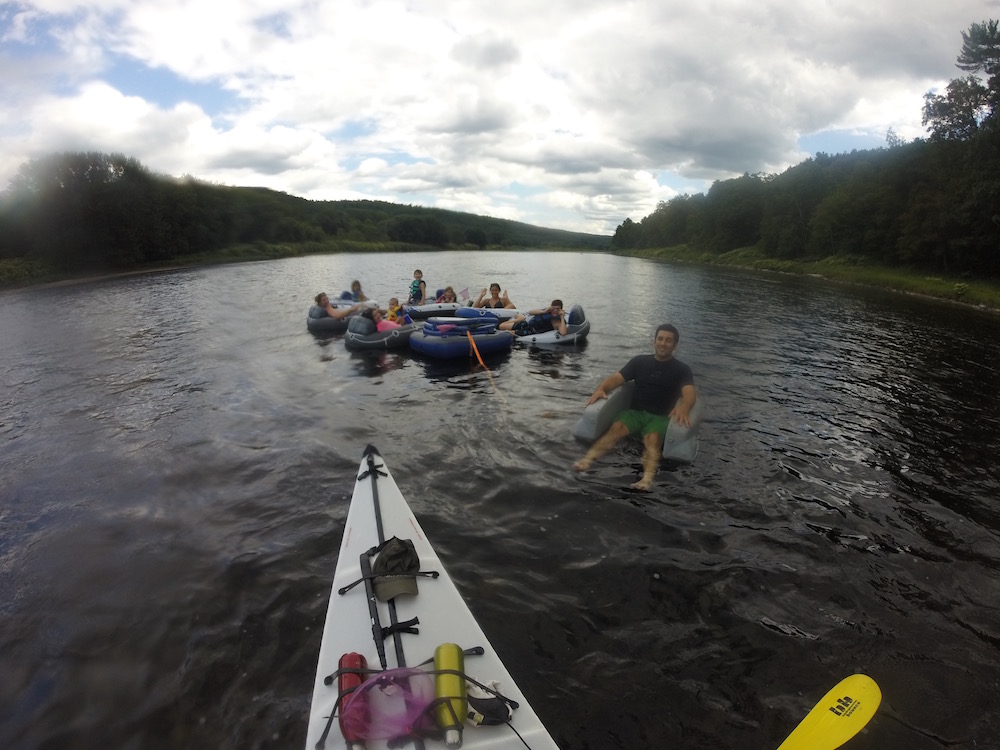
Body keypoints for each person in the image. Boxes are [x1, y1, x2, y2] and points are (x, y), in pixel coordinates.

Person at [572, 324, 696, 492]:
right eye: (660, 339)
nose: (663, 343)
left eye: (668, 341)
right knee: (616, 429)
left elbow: (689, 393)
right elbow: (616, 378)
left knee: (652, 439)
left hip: (660, 417)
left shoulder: (682, 369)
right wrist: (601, 389)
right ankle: (587, 460)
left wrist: (684, 408)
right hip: (634, 413)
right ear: (654, 342)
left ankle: (647, 479)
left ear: (675, 346)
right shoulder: (639, 362)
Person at [498, 300, 568, 337]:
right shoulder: (546, 311)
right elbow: (530, 312)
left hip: (531, 332)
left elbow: (563, 333)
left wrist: (562, 317)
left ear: (561, 310)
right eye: (553, 308)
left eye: (558, 309)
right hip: (526, 324)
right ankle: (520, 318)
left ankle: (520, 318)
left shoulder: (558, 321)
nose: (555, 311)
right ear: (551, 307)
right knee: (501, 326)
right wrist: (544, 311)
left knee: (508, 333)